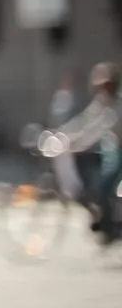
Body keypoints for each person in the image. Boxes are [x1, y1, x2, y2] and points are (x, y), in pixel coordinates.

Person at [56, 62, 122, 241]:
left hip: (118, 153)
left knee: (103, 185)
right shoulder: (101, 102)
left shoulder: (117, 105)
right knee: (92, 182)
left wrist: (80, 143)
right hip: (111, 151)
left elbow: (99, 129)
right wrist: (61, 136)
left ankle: (111, 228)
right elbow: (85, 122)